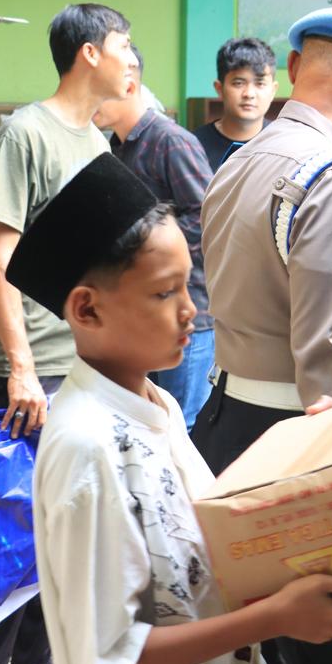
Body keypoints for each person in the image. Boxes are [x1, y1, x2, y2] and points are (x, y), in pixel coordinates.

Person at [5, 153, 332, 664]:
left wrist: (308, 464)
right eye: (163, 291)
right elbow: (110, 659)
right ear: (87, 309)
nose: (189, 308)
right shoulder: (87, 446)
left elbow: (205, 549)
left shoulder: (158, 404)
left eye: (188, 283)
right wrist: (271, 619)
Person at [190, 7, 332, 664]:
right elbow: (328, 356)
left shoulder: (238, 162)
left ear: (297, 68)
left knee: (261, 644)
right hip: (304, 441)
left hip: (225, 425)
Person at [0, 3, 135, 664]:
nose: (131, 57)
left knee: (58, 554)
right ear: (89, 53)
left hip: (83, 373)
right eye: (124, 44)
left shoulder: (96, 144)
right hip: (34, 377)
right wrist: (21, 367)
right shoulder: (26, 133)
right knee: (7, 550)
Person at [94, 45, 216, 429]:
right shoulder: (116, 147)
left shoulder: (170, 140)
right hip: (144, 313)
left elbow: (207, 216)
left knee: (184, 426)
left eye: (94, 90)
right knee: (149, 421)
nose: (87, 101)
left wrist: (160, 267)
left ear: (128, 85)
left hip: (190, 313)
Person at [194, 38, 279, 169]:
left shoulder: (284, 142)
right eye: (238, 83)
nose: (249, 94)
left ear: (273, 90)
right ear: (219, 88)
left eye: (260, 83)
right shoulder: (194, 146)